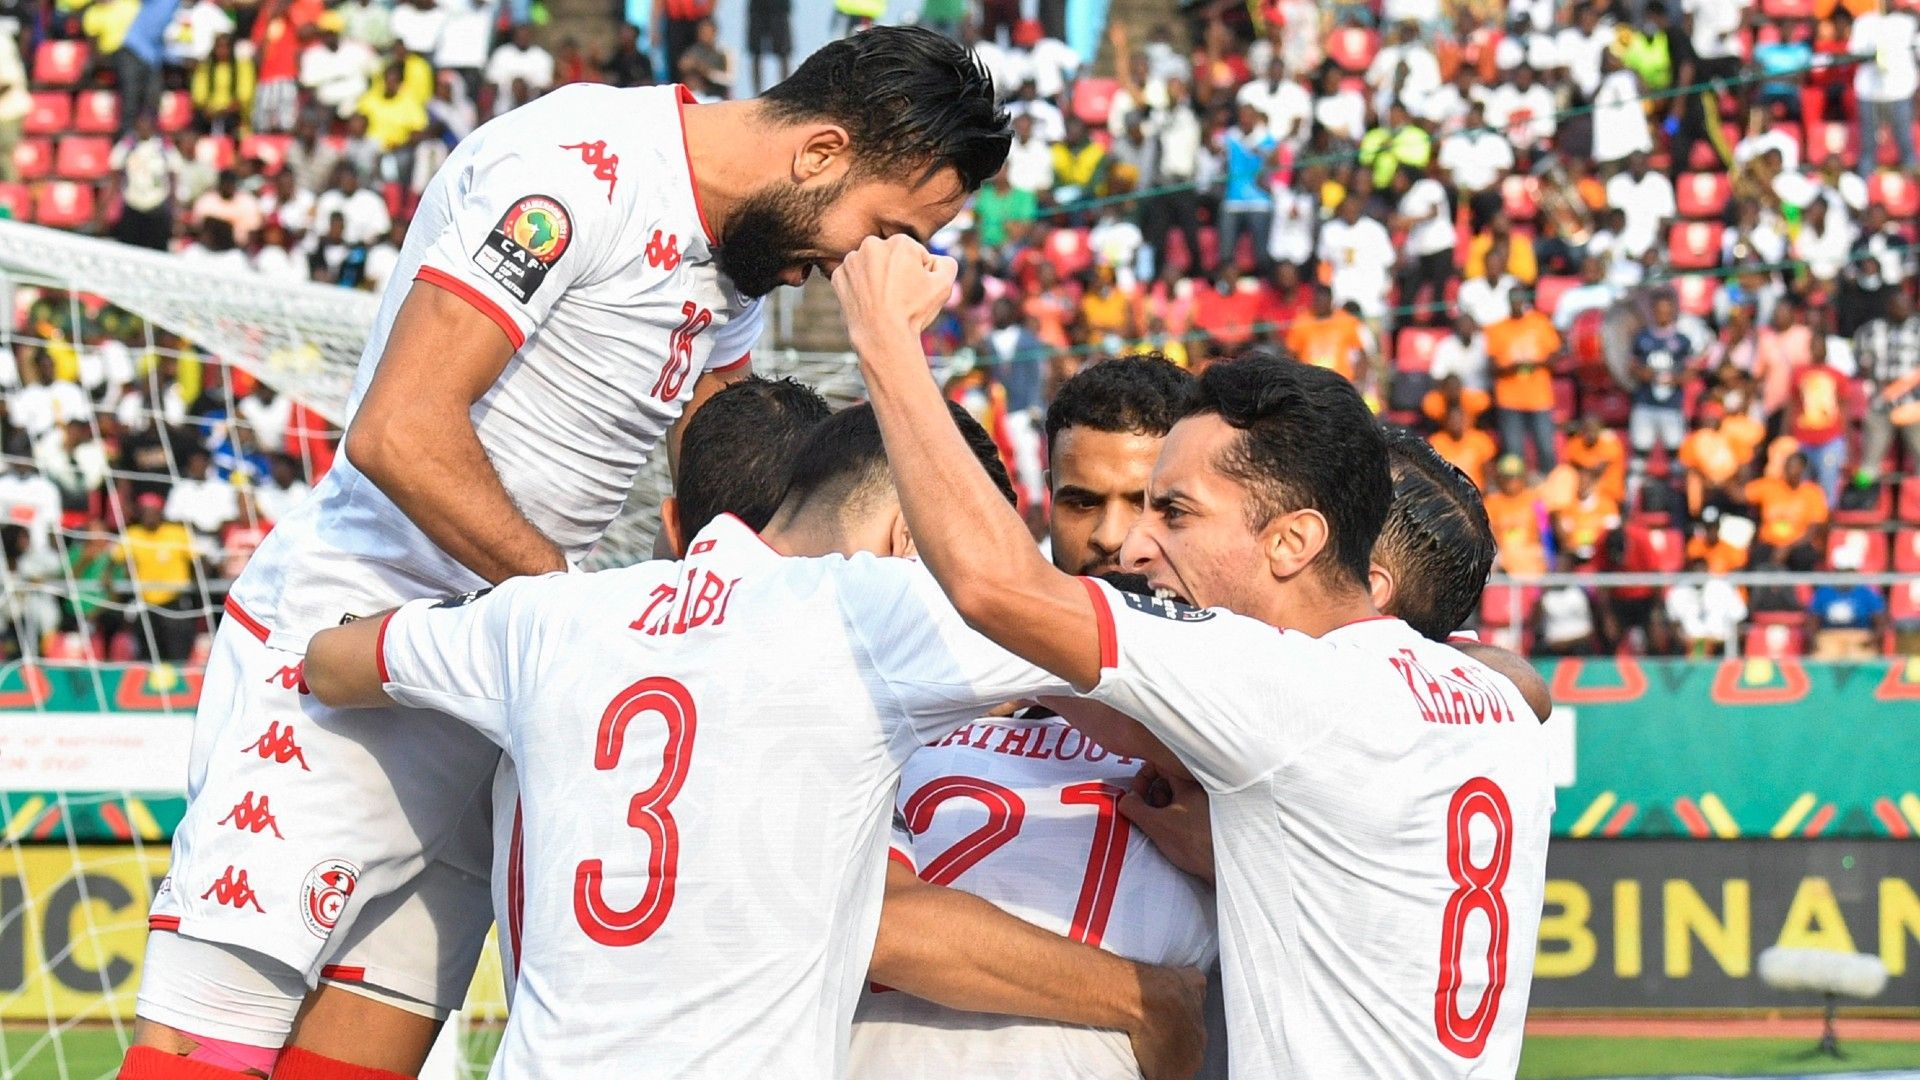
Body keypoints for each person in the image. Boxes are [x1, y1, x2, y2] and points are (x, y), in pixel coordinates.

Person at [124, 29, 1012, 1080]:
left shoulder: (737, 257)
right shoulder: (578, 171)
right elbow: (399, 431)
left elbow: (721, 453)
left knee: (356, 1061)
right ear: (821, 153)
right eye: (886, 229)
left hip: (504, 677)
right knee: (204, 1056)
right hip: (356, 633)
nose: (864, 265)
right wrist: (583, 626)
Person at [301, 397, 1205, 1077]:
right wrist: (1148, 999)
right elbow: (1135, 668)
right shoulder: (871, 618)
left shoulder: (553, 617)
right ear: (907, 541)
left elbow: (331, 662)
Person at [836, 235, 1553, 1078]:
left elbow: (995, 588)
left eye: (1174, 512)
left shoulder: (1282, 693)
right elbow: (1518, 686)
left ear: (1293, 540)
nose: (1134, 544)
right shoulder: (1482, 702)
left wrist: (887, 337)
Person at [1485, 290, 1562, 470]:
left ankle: (1548, 484)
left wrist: (1537, 363)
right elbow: (1491, 367)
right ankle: (1517, 486)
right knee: (1514, 452)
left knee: (1546, 449)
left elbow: (1555, 358)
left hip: (1539, 398)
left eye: (1520, 299)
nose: (1517, 303)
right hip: (1509, 399)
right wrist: (1512, 367)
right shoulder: (1496, 328)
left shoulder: (1540, 323)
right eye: (1513, 300)